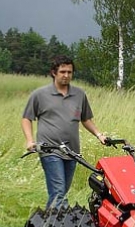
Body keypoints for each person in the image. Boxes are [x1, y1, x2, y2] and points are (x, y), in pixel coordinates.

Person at [22, 55, 107, 211]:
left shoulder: (79, 95)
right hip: (50, 150)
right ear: (54, 72)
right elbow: (27, 119)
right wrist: (29, 140)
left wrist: (99, 134)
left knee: (60, 191)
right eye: (63, 72)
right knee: (59, 192)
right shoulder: (40, 95)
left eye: (69, 72)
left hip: (72, 152)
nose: (66, 75)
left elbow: (85, 119)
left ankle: (49, 226)